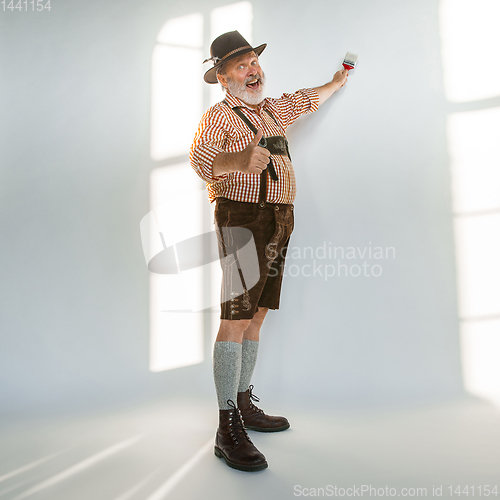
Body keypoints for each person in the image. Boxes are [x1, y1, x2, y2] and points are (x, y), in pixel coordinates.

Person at [189, 30, 348, 472]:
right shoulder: (221, 116)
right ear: (222, 78)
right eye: (240, 66)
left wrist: (333, 83)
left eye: (253, 63)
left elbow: (301, 100)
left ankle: (243, 405)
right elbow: (200, 159)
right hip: (241, 218)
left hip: (279, 218)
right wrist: (237, 161)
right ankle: (226, 427)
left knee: (256, 315)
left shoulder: (272, 111)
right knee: (235, 318)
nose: (252, 71)